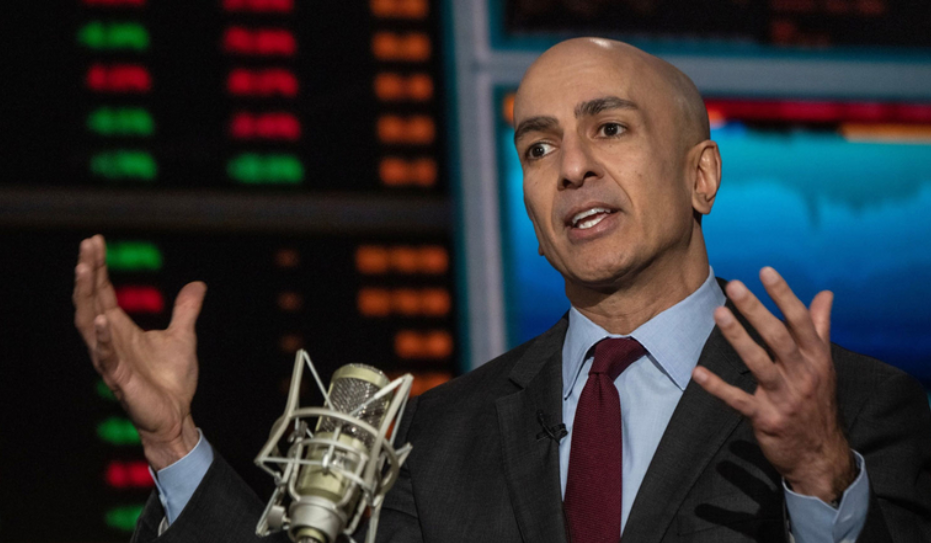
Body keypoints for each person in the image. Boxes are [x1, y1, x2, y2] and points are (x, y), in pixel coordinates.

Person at [73, 38, 931, 542]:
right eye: (537, 148)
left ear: (700, 175)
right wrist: (174, 440)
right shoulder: (435, 437)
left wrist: (819, 475)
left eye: (609, 128)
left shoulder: (857, 408)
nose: (572, 167)